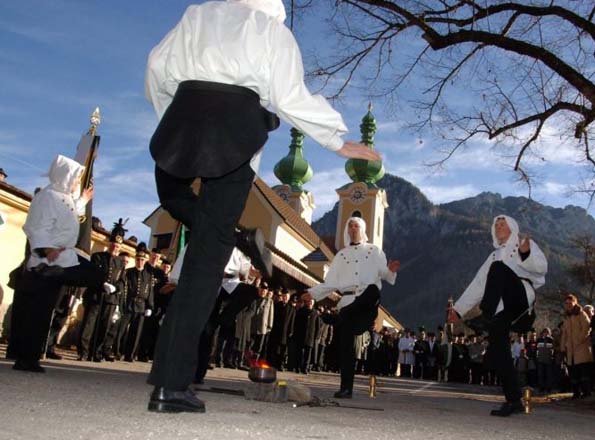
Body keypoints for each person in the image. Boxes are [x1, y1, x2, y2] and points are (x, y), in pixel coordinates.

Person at [144, 0, 380, 414]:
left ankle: (167, 375)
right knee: (205, 260)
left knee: (178, 203)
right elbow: (289, 96)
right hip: (233, 131)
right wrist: (334, 139)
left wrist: (171, 117)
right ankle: (171, 384)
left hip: (184, 117)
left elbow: (157, 69)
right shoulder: (270, 30)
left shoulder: (197, 15)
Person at [9, 155, 107, 372]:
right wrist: (45, 249)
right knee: (39, 313)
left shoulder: (64, 198)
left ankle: (28, 358)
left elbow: (69, 216)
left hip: (62, 259)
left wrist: (83, 199)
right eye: (75, 177)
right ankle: (26, 359)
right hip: (48, 259)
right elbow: (36, 226)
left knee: (95, 275)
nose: (76, 181)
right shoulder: (47, 196)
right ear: (64, 176)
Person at [448, 214, 547, 416]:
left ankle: (485, 317)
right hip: (503, 310)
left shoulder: (522, 244)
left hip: (520, 298)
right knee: (498, 350)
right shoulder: (493, 256)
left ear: (512, 227)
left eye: (503, 224)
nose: (499, 227)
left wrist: (526, 254)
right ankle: (514, 400)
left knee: (498, 269)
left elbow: (542, 269)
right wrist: (458, 310)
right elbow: (477, 285)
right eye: (496, 225)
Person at [302, 217, 400, 398]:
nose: (353, 229)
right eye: (350, 226)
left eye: (356, 226)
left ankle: (338, 318)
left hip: (367, 303)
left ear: (362, 229)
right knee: (345, 348)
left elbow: (385, 275)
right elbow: (330, 283)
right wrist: (313, 293)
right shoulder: (341, 255)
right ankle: (346, 388)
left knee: (372, 290)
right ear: (347, 230)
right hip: (347, 304)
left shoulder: (375, 251)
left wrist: (391, 270)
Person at [78, 222, 127, 362]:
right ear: (109, 243)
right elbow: (91, 275)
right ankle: (83, 352)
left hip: (110, 299)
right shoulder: (98, 257)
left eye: (117, 245)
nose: (115, 247)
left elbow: (122, 282)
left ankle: (96, 352)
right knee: (89, 324)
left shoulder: (120, 263)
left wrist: (115, 288)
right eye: (113, 244)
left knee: (104, 327)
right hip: (95, 295)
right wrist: (102, 284)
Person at [561, 294, 593, 398]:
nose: (568, 305)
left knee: (583, 372)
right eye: (566, 303)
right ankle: (576, 392)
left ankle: (586, 392)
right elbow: (564, 334)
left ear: (575, 302)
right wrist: (563, 347)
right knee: (573, 372)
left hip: (581, 347)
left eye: (570, 303)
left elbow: (587, 328)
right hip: (570, 350)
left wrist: (579, 340)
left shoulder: (581, 314)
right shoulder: (566, 317)